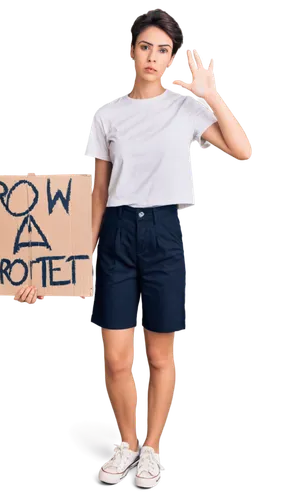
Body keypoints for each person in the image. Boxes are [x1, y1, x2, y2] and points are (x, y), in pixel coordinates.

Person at [83, 6, 252, 491]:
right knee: (116, 356)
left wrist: (212, 96)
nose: (153, 57)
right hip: (116, 231)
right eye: (145, 47)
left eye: (163, 50)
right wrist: (80, 255)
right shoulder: (107, 114)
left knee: (159, 355)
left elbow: (241, 151)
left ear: (172, 57)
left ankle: (154, 449)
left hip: (162, 232)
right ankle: (129, 444)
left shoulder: (185, 108)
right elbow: (98, 191)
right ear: (129, 51)